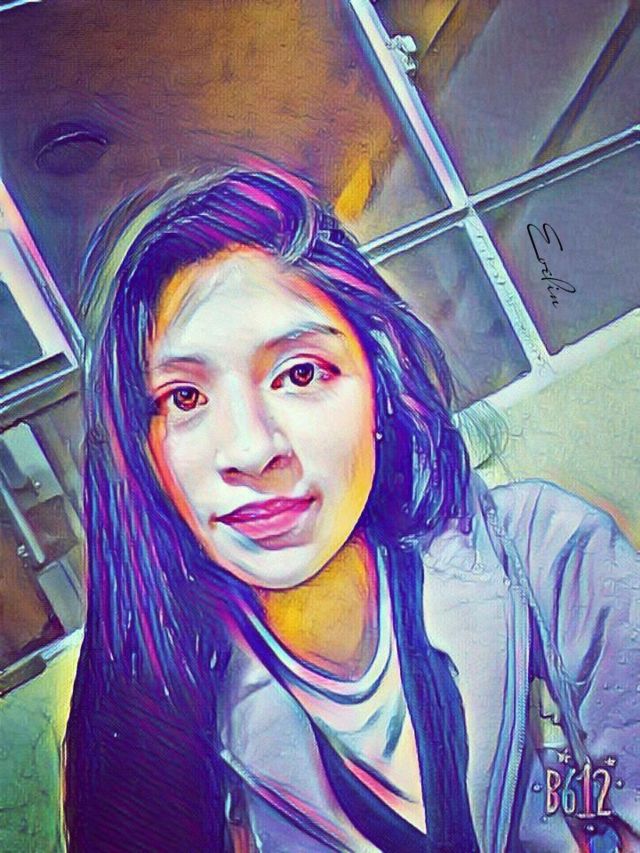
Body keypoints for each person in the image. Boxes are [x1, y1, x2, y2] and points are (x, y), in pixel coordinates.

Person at [64, 167, 640, 852]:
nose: (252, 449)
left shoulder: (547, 553)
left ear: (380, 384)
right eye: (184, 398)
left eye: (300, 373)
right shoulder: (175, 722)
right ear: (142, 451)